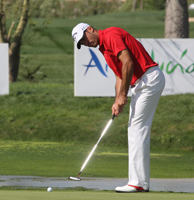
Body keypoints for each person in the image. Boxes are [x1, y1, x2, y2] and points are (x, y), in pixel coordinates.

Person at [71, 23, 165, 193]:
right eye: (82, 44)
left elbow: (128, 63)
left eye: (84, 39)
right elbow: (120, 75)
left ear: (90, 29)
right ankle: (140, 182)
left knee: (137, 129)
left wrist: (123, 95)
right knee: (137, 129)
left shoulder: (111, 35)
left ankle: (137, 183)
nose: (86, 43)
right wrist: (117, 100)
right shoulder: (104, 49)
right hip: (142, 83)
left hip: (148, 80)